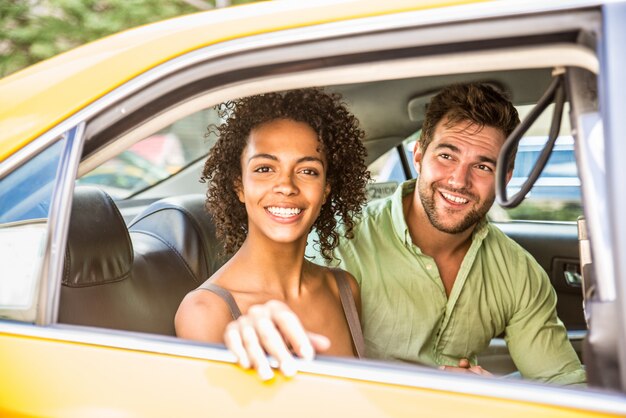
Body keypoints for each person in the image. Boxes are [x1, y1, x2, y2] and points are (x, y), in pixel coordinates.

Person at [224, 82, 586, 386]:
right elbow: (301, 368)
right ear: (418, 156)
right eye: (446, 156)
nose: (459, 180)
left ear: (506, 178)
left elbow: (563, 382)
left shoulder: (517, 272)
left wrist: (493, 398)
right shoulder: (338, 244)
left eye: (482, 165)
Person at [175, 88, 370, 380]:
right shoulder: (204, 311)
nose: (286, 186)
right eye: (265, 168)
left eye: (308, 171)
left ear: (326, 189)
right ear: (239, 185)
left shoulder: (343, 288)